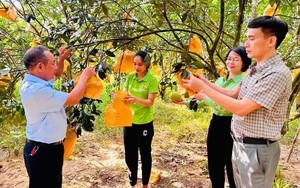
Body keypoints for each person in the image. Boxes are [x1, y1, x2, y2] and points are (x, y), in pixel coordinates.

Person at [182, 16, 291, 188]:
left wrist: (204, 89)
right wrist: (205, 83)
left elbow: (241, 108)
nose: (246, 44)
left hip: (258, 149)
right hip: (241, 144)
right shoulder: (254, 69)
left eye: (251, 38)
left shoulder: (276, 73)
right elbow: (233, 93)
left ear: (271, 41)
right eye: (247, 38)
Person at [174, 46, 251, 188]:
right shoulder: (220, 81)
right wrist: (186, 102)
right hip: (216, 124)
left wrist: (206, 94)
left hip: (232, 125)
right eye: (229, 59)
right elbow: (206, 101)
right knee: (214, 164)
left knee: (232, 165)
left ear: (244, 63)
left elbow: (225, 105)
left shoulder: (243, 82)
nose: (231, 62)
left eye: (236, 59)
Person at [20, 45, 95, 188]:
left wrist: (61, 59)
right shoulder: (35, 90)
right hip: (41, 152)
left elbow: (57, 73)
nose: (55, 67)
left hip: (51, 149)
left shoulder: (37, 80)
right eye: (52, 63)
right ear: (40, 67)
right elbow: (74, 98)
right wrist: (85, 76)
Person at [123, 51, 159, 188]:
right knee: (130, 154)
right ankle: (132, 183)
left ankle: (145, 184)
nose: (136, 67)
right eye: (134, 64)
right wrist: (119, 96)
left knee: (145, 154)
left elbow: (150, 102)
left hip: (144, 123)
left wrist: (135, 99)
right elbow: (125, 94)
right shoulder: (130, 78)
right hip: (129, 121)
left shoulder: (152, 79)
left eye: (140, 64)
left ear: (147, 64)